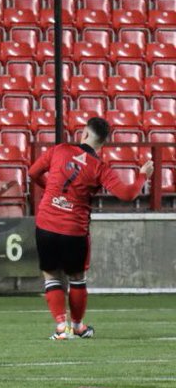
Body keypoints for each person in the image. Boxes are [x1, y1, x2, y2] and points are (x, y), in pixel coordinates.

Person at [28, 116, 153, 340]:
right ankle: (77, 326)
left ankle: (60, 327)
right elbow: (127, 194)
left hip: (46, 224)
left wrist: (52, 192)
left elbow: (33, 173)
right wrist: (143, 174)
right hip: (74, 229)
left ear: (84, 134)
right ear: (103, 143)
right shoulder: (99, 168)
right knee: (77, 278)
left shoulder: (59, 150)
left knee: (51, 276)